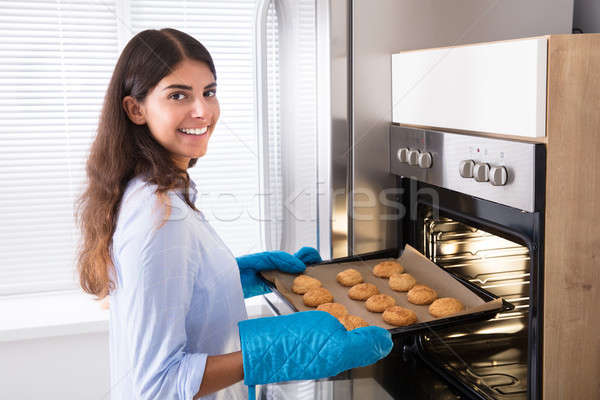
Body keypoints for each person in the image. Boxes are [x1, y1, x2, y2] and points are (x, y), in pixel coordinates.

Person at [75, 28, 392, 400]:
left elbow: (170, 302)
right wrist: (272, 353)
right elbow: (158, 388)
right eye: (178, 95)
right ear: (136, 109)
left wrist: (230, 278)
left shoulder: (159, 190)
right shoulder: (156, 217)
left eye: (208, 92)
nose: (202, 111)